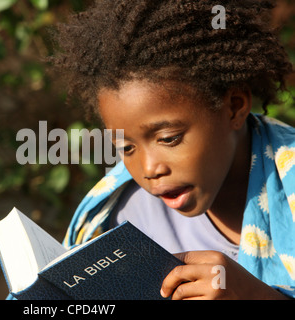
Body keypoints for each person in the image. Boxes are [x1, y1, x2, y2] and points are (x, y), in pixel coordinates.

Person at [50, 0, 295, 299]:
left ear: (234, 107)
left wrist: (256, 296)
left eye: (168, 138)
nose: (150, 168)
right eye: (126, 147)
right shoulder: (120, 218)